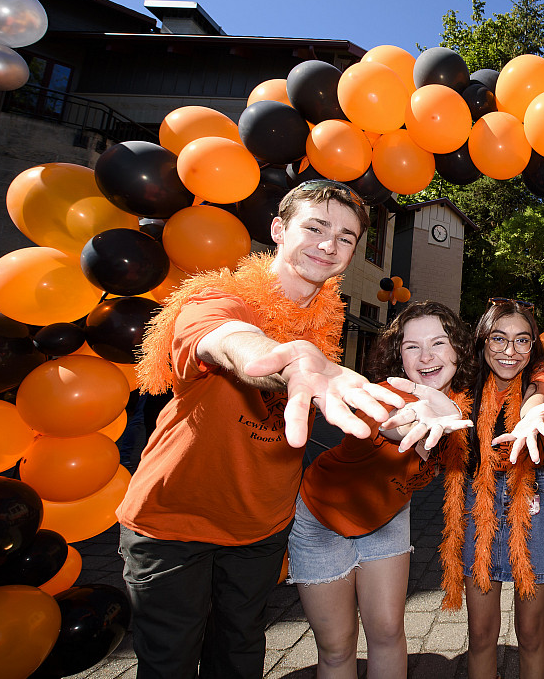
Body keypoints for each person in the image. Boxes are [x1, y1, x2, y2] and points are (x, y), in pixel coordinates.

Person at [120, 180, 436, 679]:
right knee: (169, 664)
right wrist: (285, 365)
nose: (329, 245)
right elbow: (225, 338)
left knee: (240, 654)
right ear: (278, 229)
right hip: (174, 522)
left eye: (347, 237)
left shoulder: (324, 324)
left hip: (260, 529)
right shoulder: (219, 298)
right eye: (315, 227)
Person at [291, 301, 474, 678]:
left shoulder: (460, 401)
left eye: (439, 343)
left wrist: (449, 412)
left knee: (389, 632)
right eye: (411, 347)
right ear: (398, 356)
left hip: (387, 517)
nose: (426, 356)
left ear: (457, 350)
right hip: (321, 520)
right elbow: (399, 425)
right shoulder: (383, 396)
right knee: (337, 646)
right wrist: (429, 419)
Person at [437, 299, 544, 679]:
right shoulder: (462, 384)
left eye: (522, 340)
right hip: (476, 500)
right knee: (480, 634)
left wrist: (534, 408)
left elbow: (542, 386)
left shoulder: (543, 380)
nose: (510, 351)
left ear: (533, 346)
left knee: (530, 632)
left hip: (535, 498)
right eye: (499, 338)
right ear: (482, 340)